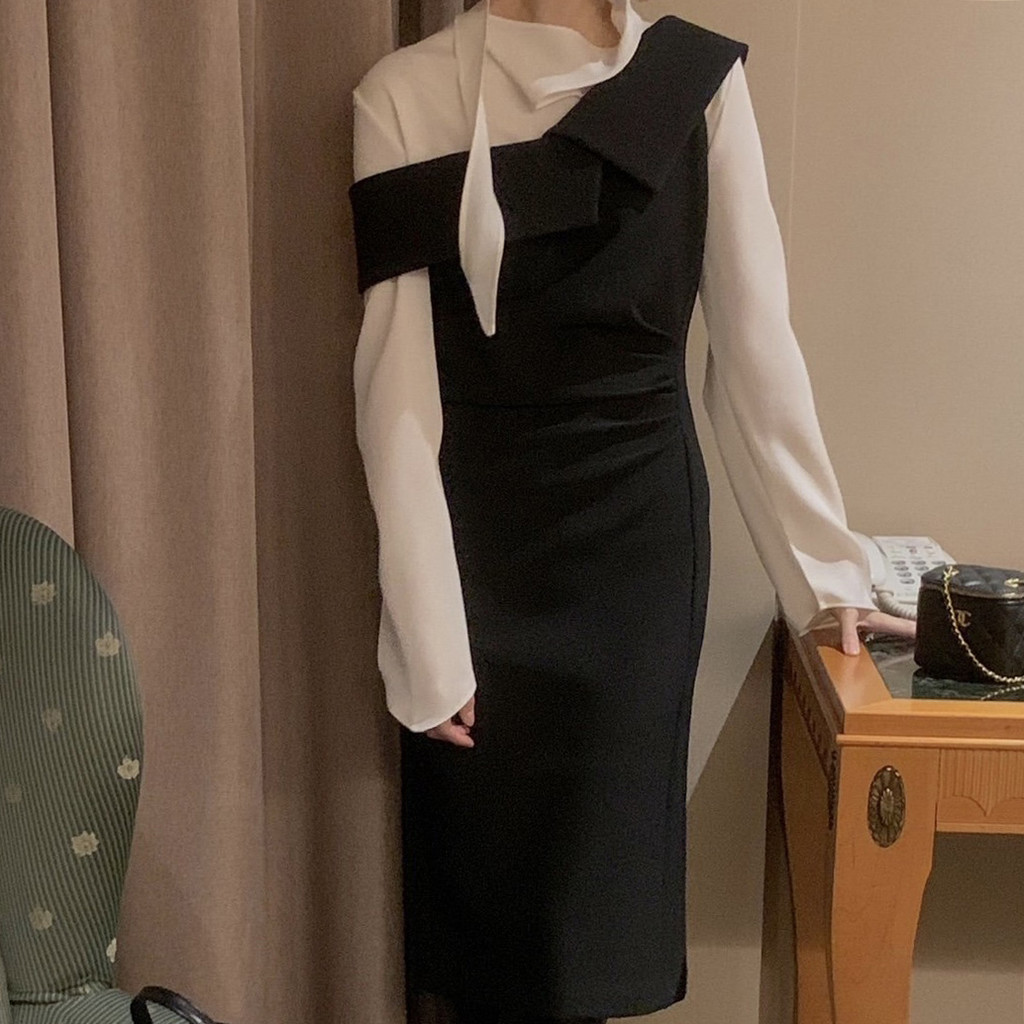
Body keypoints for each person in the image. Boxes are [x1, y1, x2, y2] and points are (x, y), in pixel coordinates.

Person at [348, 2, 915, 1022]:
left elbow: (754, 346)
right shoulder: (401, 96)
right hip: (475, 551)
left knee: (594, 925)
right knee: (486, 920)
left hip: (635, 560)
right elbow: (394, 397)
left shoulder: (694, 81)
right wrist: (427, 638)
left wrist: (828, 577)